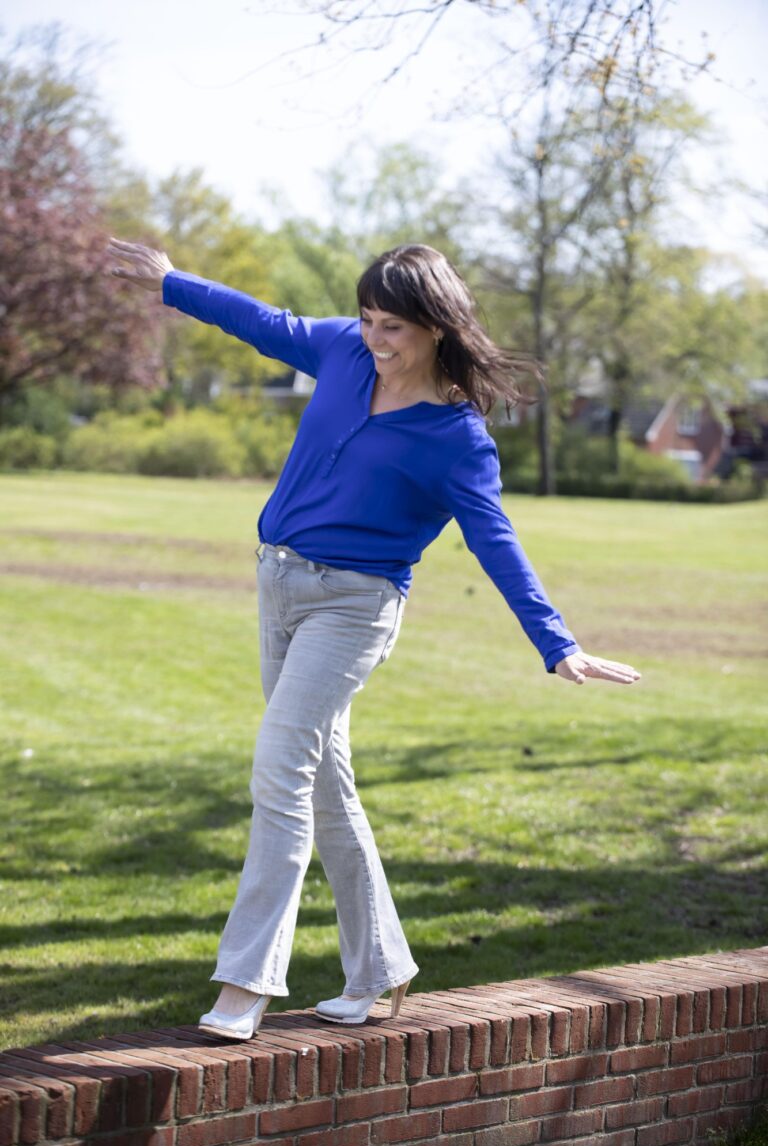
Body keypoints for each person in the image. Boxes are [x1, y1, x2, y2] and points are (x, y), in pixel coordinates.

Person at [107, 237, 641, 1041]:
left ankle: (246, 982)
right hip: (278, 584)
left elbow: (495, 540)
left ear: (436, 326)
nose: (374, 339)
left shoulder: (457, 437)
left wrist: (555, 641)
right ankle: (378, 971)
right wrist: (173, 282)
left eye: (393, 326)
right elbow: (261, 321)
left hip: (354, 608)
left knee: (280, 769)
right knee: (326, 786)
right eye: (366, 320)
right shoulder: (343, 353)